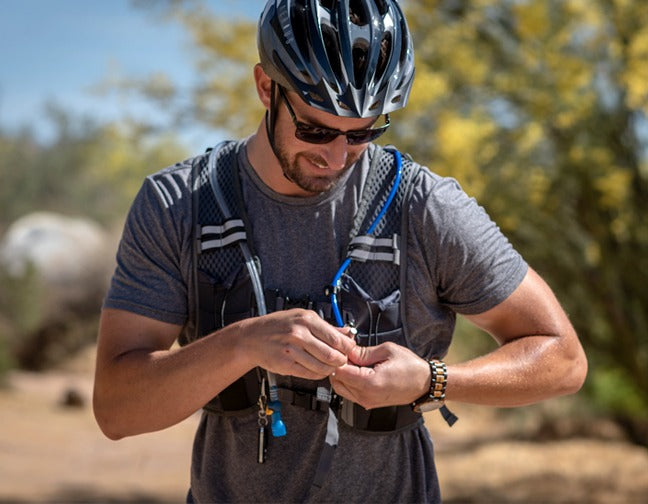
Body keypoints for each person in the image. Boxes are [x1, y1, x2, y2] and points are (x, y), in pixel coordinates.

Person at [93, 1, 588, 502]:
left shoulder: (425, 207)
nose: (335, 157)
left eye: (362, 134)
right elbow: (116, 411)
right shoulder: (177, 206)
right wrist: (242, 344)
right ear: (266, 87)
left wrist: (431, 381)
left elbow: (563, 358)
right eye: (314, 130)